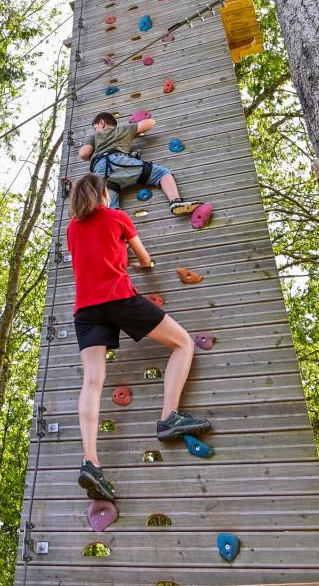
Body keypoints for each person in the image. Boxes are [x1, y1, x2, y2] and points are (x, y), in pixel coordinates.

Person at [66, 173, 211, 503]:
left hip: (86, 311)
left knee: (92, 382)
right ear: (103, 194)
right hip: (118, 299)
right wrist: (145, 263)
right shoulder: (117, 217)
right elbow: (144, 258)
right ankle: (168, 417)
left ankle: (91, 462)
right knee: (183, 343)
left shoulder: (72, 229)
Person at [78, 110, 202, 218]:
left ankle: (118, 238)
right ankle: (176, 202)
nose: (95, 130)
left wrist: (95, 145)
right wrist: (133, 132)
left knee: (111, 211)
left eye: (95, 128)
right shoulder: (123, 129)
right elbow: (151, 123)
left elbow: (83, 154)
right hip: (118, 163)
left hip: (100, 174)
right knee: (162, 174)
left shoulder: (95, 136)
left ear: (102, 123)